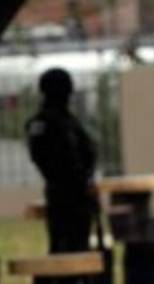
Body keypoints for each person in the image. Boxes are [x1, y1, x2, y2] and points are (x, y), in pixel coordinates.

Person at [26, 67, 97, 254]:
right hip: (70, 196)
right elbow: (72, 158)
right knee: (72, 249)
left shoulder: (45, 122)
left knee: (64, 247)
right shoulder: (58, 123)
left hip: (60, 194)